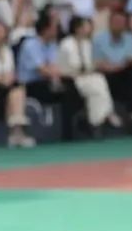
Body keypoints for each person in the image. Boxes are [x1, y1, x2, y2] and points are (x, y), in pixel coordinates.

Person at [17, 13, 83, 142]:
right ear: (46, 29)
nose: (57, 30)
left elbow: (54, 67)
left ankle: (71, 127)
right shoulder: (30, 44)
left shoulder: (52, 45)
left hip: (48, 81)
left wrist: (58, 75)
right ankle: (69, 131)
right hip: (31, 85)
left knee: (70, 87)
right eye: (54, 27)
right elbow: (42, 70)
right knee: (66, 91)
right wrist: (57, 75)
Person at [58, 17, 119, 133]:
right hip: (72, 78)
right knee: (97, 87)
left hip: (88, 75)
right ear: (78, 28)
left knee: (100, 82)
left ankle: (97, 120)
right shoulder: (66, 44)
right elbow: (63, 66)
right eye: (86, 26)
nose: (89, 29)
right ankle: (105, 115)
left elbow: (91, 64)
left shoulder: (88, 44)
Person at [93, 8, 132, 121]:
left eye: (121, 23)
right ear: (110, 23)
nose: (118, 25)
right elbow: (97, 63)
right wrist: (116, 66)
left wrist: (121, 65)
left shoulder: (130, 38)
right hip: (107, 74)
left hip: (124, 72)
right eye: (116, 22)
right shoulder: (99, 39)